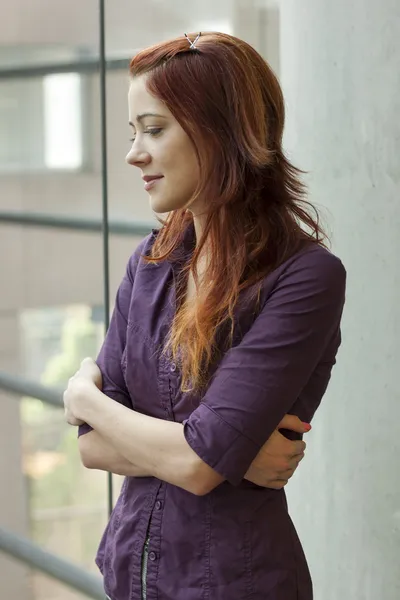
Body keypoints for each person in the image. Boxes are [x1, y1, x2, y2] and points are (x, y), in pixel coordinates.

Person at [63, 31, 346, 600]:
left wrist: (85, 399)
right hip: (132, 580)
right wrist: (225, 455)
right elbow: (93, 448)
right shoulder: (149, 262)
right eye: (133, 131)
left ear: (219, 131)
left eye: (154, 128)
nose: (133, 152)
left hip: (235, 585)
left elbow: (194, 466)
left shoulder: (305, 277)